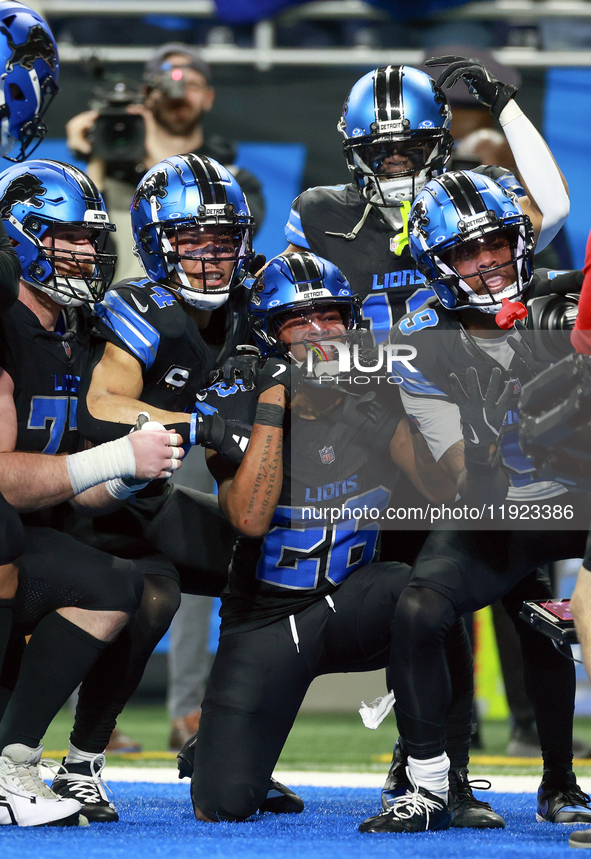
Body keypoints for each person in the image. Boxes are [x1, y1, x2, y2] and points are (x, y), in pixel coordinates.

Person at [183, 250, 505, 829]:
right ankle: (223, 746)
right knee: (223, 804)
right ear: (268, 335)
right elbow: (250, 517)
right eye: (298, 321)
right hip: (267, 618)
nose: (319, 334)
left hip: (353, 600)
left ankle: (437, 778)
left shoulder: (377, 393)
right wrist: (274, 401)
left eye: (332, 317)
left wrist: (463, 435)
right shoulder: (237, 393)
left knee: (427, 599)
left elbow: (441, 492)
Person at [52, 152, 295, 823]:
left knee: (275, 573)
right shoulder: (140, 306)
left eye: (223, 242)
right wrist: (213, 427)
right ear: (159, 247)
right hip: (80, 495)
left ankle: (225, 748)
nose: (211, 259)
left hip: (148, 498)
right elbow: (103, 406)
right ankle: (81, 761)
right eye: (192, 241)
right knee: (152, 594)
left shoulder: (253, 308)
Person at [358, 169, 591, 834]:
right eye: (465, 251)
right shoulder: (423, 339)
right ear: (437, 264)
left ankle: (561, 780)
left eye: (494, 242)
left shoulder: (568, 301)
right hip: (510, 504)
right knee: (419, 606)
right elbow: (467, 485)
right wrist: (489, 447)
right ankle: (429, 786)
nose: (486, 260)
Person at [0, 157, 187, 828]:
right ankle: (5, 764)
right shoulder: (4, 327)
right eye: (67, 237)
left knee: (128, 580)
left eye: (90, 239)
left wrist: (127, 470)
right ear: (19, 236)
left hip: (31, 530)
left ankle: (39, 762)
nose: (86, 252)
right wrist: (112, 453)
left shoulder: (71, 332)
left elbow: (75, 487)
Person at [283, 58, 569, 344]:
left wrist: (506, 107)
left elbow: (552, 209)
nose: (396, 159)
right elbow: (274, 300)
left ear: (441, 145)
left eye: (412, 148)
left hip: (469, 377)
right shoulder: (321, 211)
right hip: (361, 380)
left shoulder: (474, 193)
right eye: (379, 151)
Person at [66, 42, 264, 282]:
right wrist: (96, 157)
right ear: (146, 94)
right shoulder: (108, 178)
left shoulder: (233, 181)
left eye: (191, 85)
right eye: (166, 85)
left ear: (208, 97)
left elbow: (243, 234)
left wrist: (154, 158)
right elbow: (77, 245)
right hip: (118, 308)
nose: (178, 94)